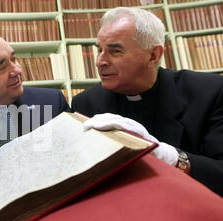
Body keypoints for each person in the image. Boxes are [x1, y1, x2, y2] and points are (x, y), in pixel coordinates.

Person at [70, 7, 223, 196]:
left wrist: (170, 157)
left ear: (153, 56)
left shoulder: (210, 93)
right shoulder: (85, 104)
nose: (100, 61)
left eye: (115, 51)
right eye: (99, 50)